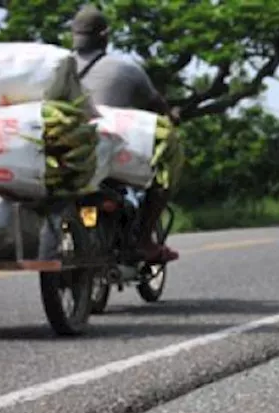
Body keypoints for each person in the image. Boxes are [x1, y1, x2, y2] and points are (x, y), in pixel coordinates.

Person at [69, 4, 179, 263]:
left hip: (69, 152)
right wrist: (171, 117)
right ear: (105, 36)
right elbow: (157, 106)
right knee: (163, 170)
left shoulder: (58, 68)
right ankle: (143, 240)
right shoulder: (126, 69)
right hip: (113, 152)